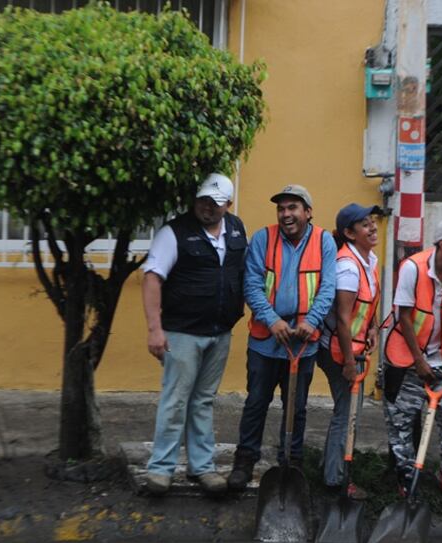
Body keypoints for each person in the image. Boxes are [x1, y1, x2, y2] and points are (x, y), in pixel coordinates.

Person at [141, 173, 247, 496]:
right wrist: (154, 329)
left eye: (215, 203)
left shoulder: (237, 229)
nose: (207, 208)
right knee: (176, 400)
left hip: (220, 332)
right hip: (181, 333)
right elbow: (152, 278)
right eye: (203, 201)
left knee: (202, 401)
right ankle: (161, 469)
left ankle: (202, 467)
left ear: (228, 205)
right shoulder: (174, 233)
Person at [227, 185, 337, 490]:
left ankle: (291, 461)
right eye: (281, 208)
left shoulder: (324, 241)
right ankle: (244, 461)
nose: (286, 214)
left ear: (308, 212)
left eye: (293, 207)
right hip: (265, 340)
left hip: (303, 343)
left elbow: (328, 287)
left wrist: (312, 321)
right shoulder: (263, 238)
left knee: (297, 407)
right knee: (256, 402)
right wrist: (272, 319)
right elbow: (251, 284)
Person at [383, 217, 442, 495]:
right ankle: (406, 476)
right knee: (401, 420)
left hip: (439, 360)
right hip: (406, 358)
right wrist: (419, 362)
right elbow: (405, 318)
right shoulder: (413, 268)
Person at [316, 203, 382, 497]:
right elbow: (343, 319)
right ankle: (335, 481)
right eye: (365, 224)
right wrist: (347, 363)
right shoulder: (347, 267)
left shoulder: (370, 260)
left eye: (372, 222)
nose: (372, 227)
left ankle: (330, 468)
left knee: (346, 412)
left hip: (355, 349)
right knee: (347, 414)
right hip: (337, 350)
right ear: (349, 233)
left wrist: (373, 327)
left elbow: (367, 303)